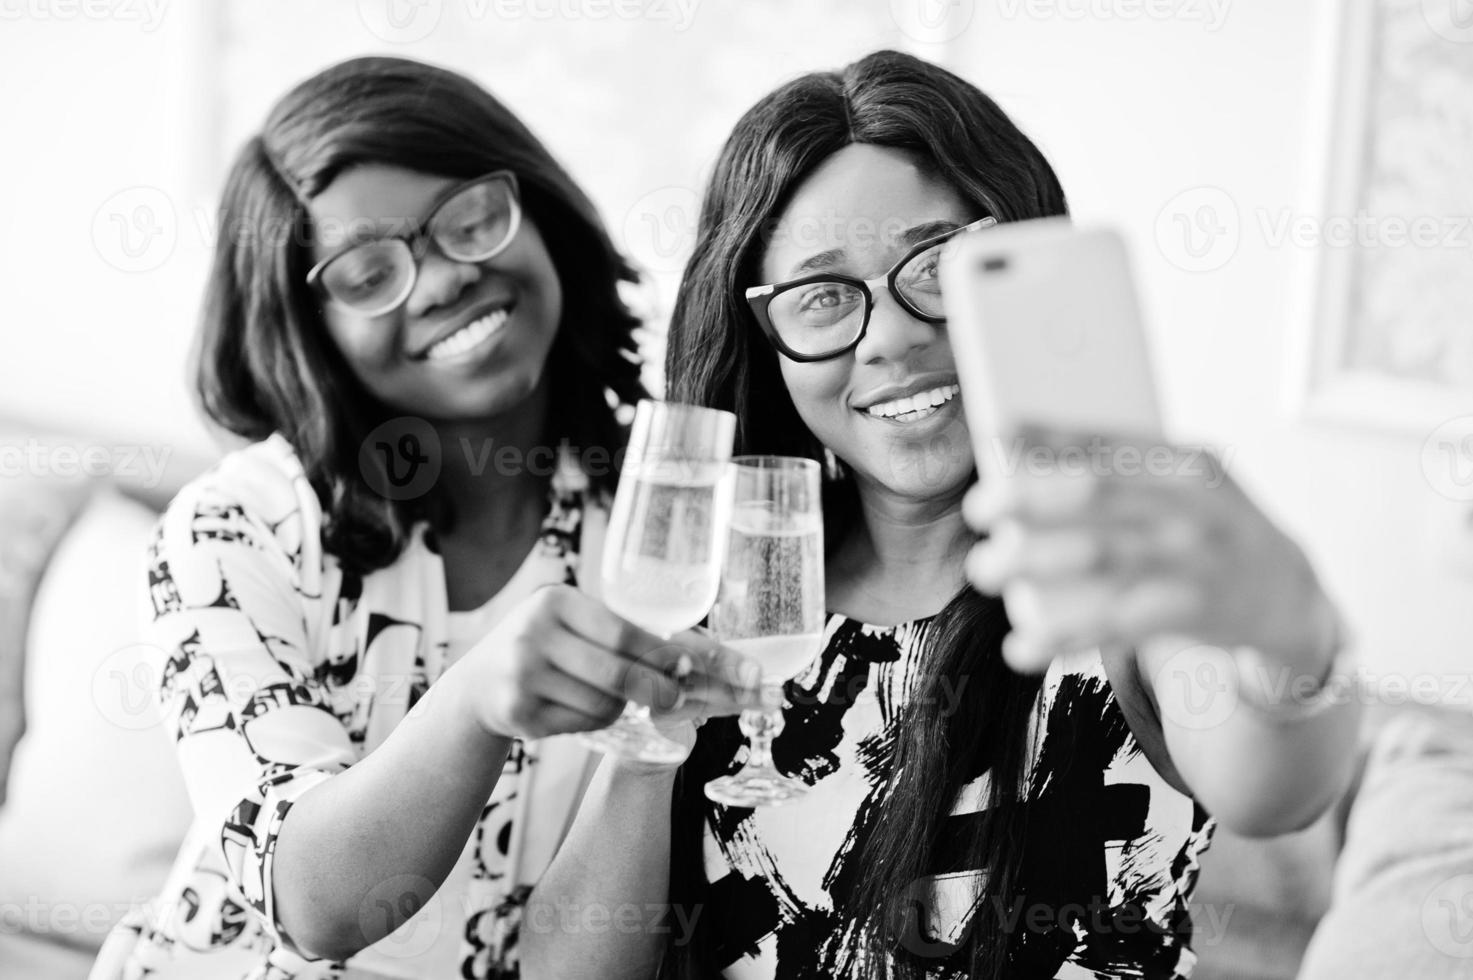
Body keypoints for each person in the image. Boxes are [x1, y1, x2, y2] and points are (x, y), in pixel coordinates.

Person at [524, 49, 1362, 980]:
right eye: (822, 295)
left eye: (938, 268)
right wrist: (646, 749)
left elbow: (1274, 788)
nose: (890, 338)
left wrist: (1288, 626)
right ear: (766, 342)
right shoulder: (730, 599)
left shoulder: (1107, 573)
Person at [89, 56, 760, 980]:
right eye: (368, 274)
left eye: (471, 221)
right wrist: (480, 695)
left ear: (540, 214)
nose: (441, 280)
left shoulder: (661, 524)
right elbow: (318, 907)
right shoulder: (229, 532)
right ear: (307, 329)